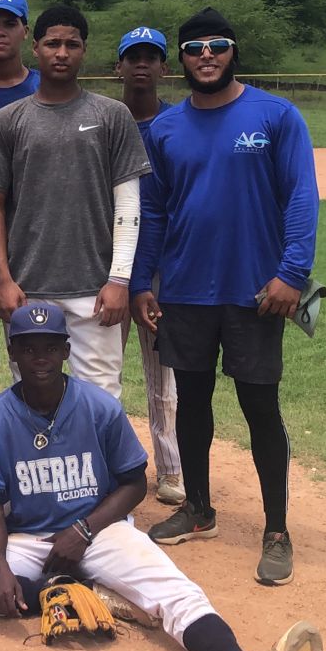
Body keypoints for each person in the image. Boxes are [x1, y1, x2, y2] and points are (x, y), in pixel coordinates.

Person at [0, 302, 324, 651]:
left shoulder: (99, 407)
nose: (40, 358)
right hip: (31, 539)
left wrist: (84, 529)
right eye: (28, 349)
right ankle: (74, 590)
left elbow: (135, 483)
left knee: (174, 592)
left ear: (66, 350)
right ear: (12, 353)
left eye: (49, 347)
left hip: (100, 531)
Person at [130, 8, 320, 587]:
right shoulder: (165, 129)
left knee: (260, 407)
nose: (206, 55)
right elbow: (154, 213)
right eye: (194, 48)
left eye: (217, 45)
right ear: (182, 59)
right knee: (192, 401)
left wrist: (293, 273)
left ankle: (277, 531)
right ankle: (199, 509)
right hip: (186, 289)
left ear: (233, 51)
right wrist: (141, 282)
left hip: (256, 291)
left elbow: (301, 196)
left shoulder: (275, 115)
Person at [0, 6, 152, 398]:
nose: (61, 53)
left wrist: (119, 280)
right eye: (52, 43)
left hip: (95, 286)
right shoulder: (7, 120)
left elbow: (128, 204)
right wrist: (2, 280)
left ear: (84, 50)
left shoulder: (112, 115)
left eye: (71, 44)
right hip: (27, 285)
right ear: (35, 47)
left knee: (101, 396)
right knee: (32, 394)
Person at [114, 26, 184, 507]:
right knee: (104, 370)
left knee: (164, 376)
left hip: (162, 265)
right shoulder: (105, 120)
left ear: (164, 67)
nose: (142, 64)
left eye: (151, 57)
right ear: (118, 66)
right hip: (110, 263)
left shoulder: (177, 124)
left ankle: (172, 467)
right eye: (133, 56)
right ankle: (109, 462)